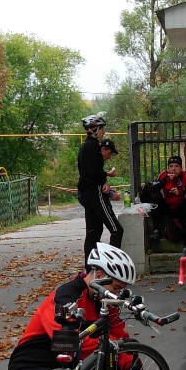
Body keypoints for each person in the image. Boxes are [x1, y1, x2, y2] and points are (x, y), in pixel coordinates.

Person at [7, 243, 138, 370]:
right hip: (31, 369)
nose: (117, 295)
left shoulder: (105, 301)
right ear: (99, 276)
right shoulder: (65, 296)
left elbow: (119, 335)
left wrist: (134, 366)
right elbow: (69, 340)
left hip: (68, 368)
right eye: (116, 288)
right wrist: (112, 346)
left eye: (121, 291)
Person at [76, 112, 122, 263]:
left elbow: (88, 171)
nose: (104, 132)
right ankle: (113, 265)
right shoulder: (93, 146)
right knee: (116, 230)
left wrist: (104, 180)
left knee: (94, 232)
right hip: (94, 193)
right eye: (102, 129)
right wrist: (106, 176)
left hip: (87, 193)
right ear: (95, 130)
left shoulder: (85, 145)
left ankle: (91, 269)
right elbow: (92, 172)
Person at [142, 155, 186, 244]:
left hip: (182, 209)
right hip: (167, 210)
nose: (173, 169)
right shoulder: (163, 175)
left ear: (181, 168)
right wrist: (164, 181)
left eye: (176, 166)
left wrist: (182, 191)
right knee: (155, 195)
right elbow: (150, 189)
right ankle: (156, 230)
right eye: (171, 166)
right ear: (168, 168)